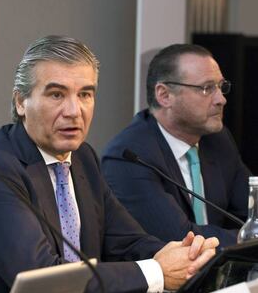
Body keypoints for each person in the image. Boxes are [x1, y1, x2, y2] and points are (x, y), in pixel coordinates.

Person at [0, 36, 218, 293]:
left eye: (85, 94)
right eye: (57, 94)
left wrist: (185, 257)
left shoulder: (83, 158)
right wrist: (157, 272)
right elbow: (42, 280)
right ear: (21, 102)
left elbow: (126, 242)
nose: (74, 111)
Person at [102, 44, 250, 248]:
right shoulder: (129, 156)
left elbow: (252, 212)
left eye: (221, 87)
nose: (221, 99)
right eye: (207, 88)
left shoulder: (218, 140)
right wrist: (250, 237)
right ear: (164, 95)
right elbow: (180, 239)